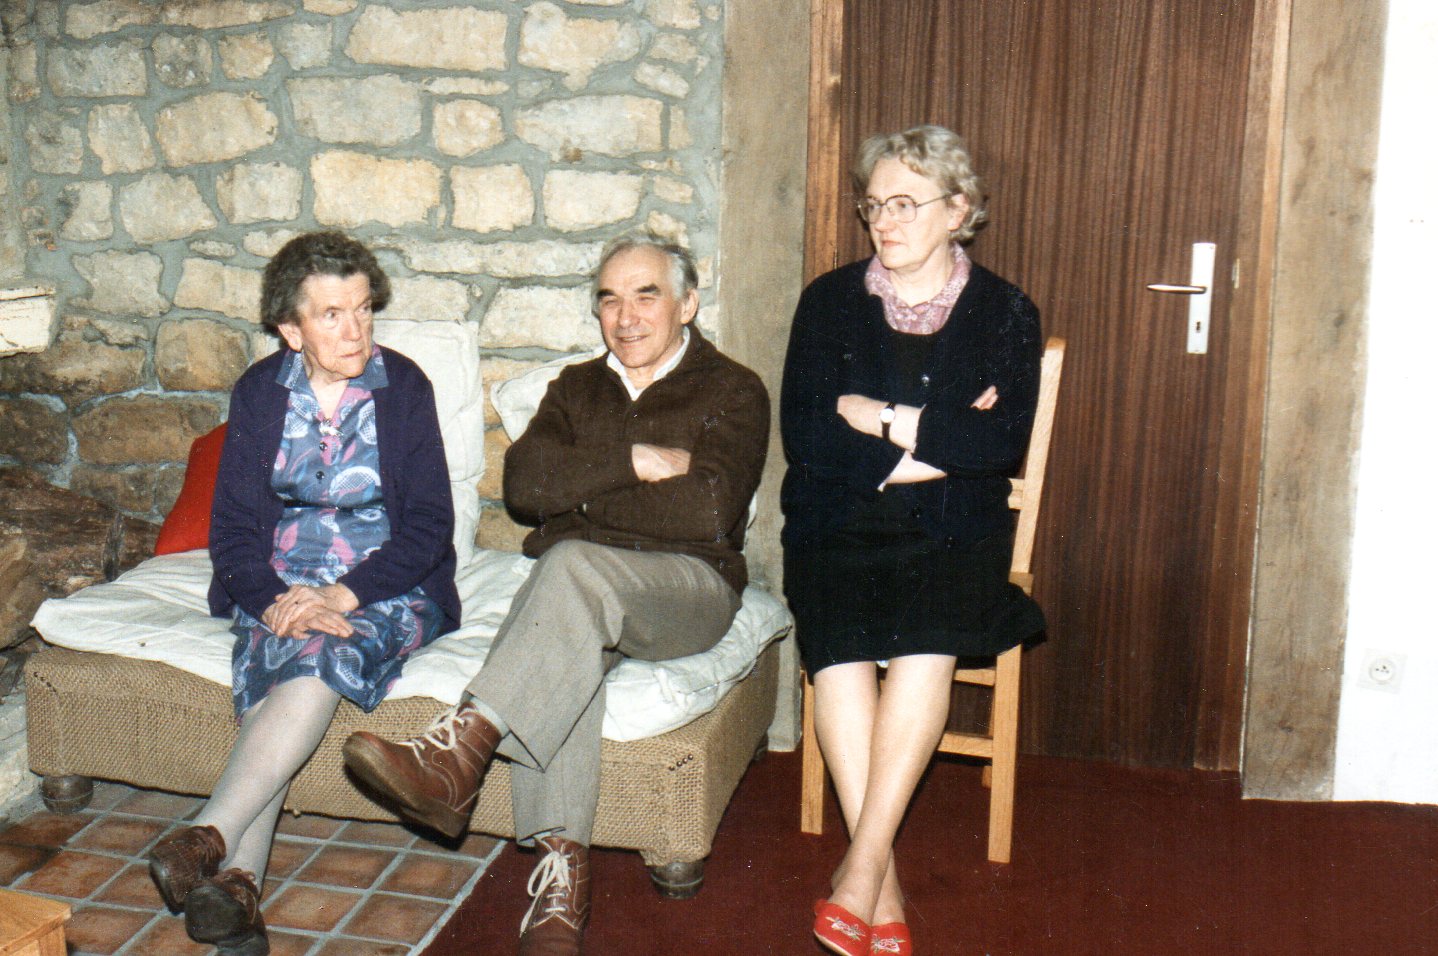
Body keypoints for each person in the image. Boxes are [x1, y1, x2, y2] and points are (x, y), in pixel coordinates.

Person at [340, 231, 769, 955]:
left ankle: (460, 750)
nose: (625, 316)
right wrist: (635, 460)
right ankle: (561, 883)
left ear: (688, 304)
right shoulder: (576, 388)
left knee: (569, 563)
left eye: (646, 295)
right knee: (568, 641)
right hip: (583, 589)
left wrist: (582, 499)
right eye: (609, 299)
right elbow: (524, 488)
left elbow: (707, 512)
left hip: (688, 587)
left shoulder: (733, 389)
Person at [145, 231, 460, 956]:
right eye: (332, 315)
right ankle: (235, 895)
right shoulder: (261, 392)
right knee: (283, 662)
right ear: (291, 330)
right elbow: (232, 531)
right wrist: (270, 598)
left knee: (315, 652)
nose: (357, 331)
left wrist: (343, 595)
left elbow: (429, 526)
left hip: (386, 581)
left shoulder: (403, 388)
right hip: (280, 582)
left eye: (363, 309)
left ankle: (211, 835)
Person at [781, 125, 1046, 956]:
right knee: (841, 650)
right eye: (874, 205)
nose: (884, 222)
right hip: (836, 519)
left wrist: (882, 416)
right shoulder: (829, 300)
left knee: (927, 646)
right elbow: (808, 435)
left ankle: (860, 869)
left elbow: (997, 446)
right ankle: (880, 883)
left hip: (952, 528)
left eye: (905, 204)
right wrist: (933, 442)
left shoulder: (1006, 312)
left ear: (957, 210)